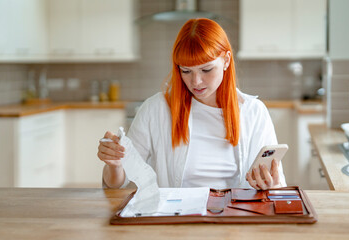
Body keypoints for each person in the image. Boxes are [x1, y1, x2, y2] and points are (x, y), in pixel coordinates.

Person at [97, 18, 287, 190]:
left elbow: (277, 185)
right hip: (175, 221)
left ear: (226, 60)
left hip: (233, 224)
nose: (196, 82)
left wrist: (270, 184)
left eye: (206, 69)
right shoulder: (155, 110)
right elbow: (118, 184)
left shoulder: (254, 112)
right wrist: (114, 165)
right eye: (186, 71)